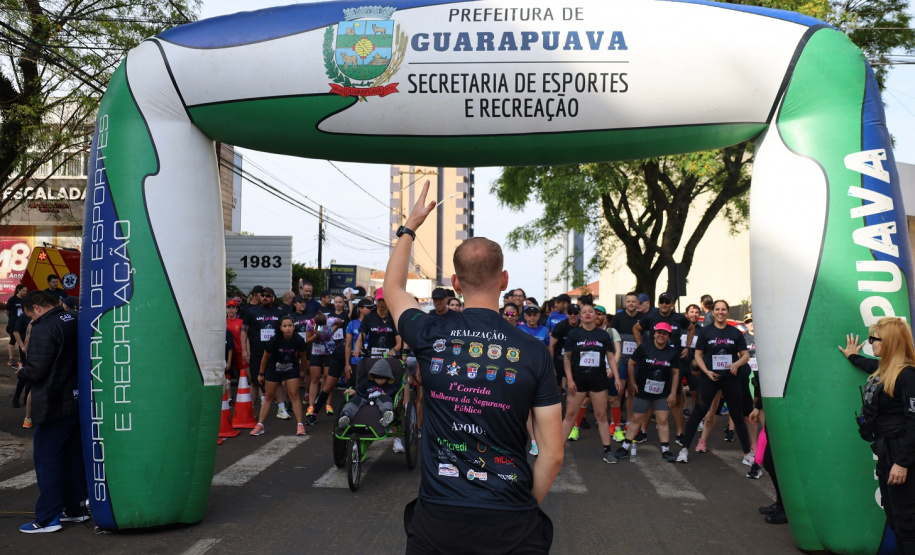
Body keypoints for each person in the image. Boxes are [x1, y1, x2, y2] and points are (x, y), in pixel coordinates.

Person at [384, 181, 562, 553]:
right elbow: (553, 453)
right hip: (512, 519)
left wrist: (410, 226)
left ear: (455, 284)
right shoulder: (534, 351)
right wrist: (523, 506)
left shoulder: (429, 332)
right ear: (504, 280)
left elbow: (393, 289)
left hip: (439, 517)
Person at [840, 317, 915, 551]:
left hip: (901, 456)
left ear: (890, 342)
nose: (870, 342)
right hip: (886, 454)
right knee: (895, 520)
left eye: (874, 338)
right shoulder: (885, 371)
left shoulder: (907, 376)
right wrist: (853, 356)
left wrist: (902, 462)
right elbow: (869, 366)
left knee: (907, 524)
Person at [17, 291, 88, 533]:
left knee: (48, 460)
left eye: (30, 316)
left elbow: (37, 371)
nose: (30, 321)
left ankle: (47, 518)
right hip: (77, 401)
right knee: (72, 457)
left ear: (36, 308)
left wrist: (22, 371)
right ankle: (74, 509)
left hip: (52, 404)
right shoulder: (75, 318)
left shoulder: (44, 328)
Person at [677, 300, 752, 464]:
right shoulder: (706, 332)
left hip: (731, 378)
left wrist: (737, 364)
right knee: (699, 411)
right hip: (710, 378)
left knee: (737, 415)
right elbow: (698, 355)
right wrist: (706, 372)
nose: (720, 312)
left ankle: (747, 454)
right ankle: (684, 450)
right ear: (713, 312)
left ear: (727, 312)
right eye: (717, 309)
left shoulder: (735, 333)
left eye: (723, 309)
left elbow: (745, 355)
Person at [561, 303, 620, 463]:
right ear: (581, 315)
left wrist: (616, 377)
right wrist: (570, 380)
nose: (587, 314)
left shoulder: (603, 335)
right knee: (569, 416)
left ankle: (607, 451)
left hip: (598, 381)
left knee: (601, 415)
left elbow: (610, 356)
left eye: (590, 312)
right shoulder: (574, 334)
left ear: (595, 316)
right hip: (578, 380)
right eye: (584, 312)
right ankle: (556, 450)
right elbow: (566, 358)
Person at [615, 322, 680, 462]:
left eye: (665, 333)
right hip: (643, 390)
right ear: (654, 333)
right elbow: (631, 363)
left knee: (662, 419)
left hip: (662, 392)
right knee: (636, 418)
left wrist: (673, 392)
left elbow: (675, 373)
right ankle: (625, 447)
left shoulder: (672, 352)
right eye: (659, 332)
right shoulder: (644, 347)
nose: (661, 335)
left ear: (669, 336)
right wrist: (632, 382)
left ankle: (665, 450)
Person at [251, 315, 308, 437]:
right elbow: (265, 357)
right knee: (269, 396)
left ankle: (300, 425)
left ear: (293, 327)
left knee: (294, 394)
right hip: (274, 367)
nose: (288, 328)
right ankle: (260, 425)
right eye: (285, 326)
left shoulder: (298, 339)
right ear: (281, 328)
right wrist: (261, 373)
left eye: (290, 326)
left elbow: (303, 357)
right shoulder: (274, 340)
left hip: (291, 366)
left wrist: (303, 372)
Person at [242, 286, 284, 408]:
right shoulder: (252, 311)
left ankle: (282, 408)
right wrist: (244, 350)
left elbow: (285, 331)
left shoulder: (279, 312)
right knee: (255, 382)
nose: (264, 298)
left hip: (274, 353)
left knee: (277, 382)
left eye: (268, 296)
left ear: (273, 298)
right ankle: (250, 410)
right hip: (257, 352)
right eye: (262, 295)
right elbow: (244, 331)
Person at [610, 291, 642, 442]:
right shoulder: (618, 317)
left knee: (632, 390)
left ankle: (629, 422)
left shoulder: (642, 318)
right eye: (628, 301)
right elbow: (612, 336)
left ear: (638, 304)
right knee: (619, 390)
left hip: (636, 361)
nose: (630, 304)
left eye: (633, 302)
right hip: (621, 360)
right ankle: (614, 422)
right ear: (625, 303)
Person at [336, 358, 399, 429]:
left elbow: (393, 391)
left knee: (386, 399)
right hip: (365, 399)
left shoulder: (389, 385)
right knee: (355, 400)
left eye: (382, 378)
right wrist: (354, 391)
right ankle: (345, 416)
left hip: (380, 401)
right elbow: (359, 389)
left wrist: (387, 394)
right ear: (373, 376)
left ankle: (387, 414)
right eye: (377, 378)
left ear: (387, 378)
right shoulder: (367, 382)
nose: (379, 380)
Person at [6, 283, 27, 367]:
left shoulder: (26, 300)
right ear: (18, 290)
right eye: (23, 290)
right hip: (13, 324)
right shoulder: (12, 299)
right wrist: (12, 318)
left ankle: (20, 358)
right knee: (12, 340)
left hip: (24, 324)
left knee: (22, 341)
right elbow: (7, 311)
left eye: (26, 291)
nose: (25, 292)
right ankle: (11, 359)